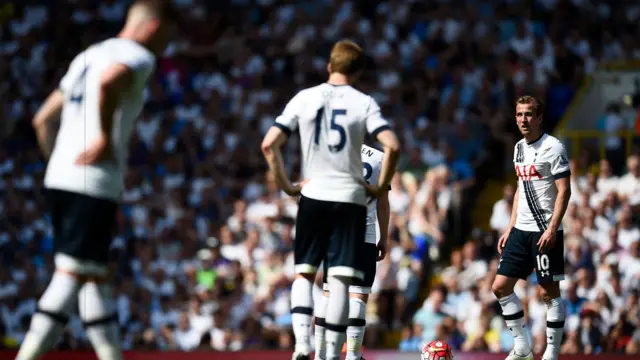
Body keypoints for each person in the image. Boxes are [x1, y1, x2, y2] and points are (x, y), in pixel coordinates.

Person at [20, 1, 174, 360]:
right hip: (94, 179)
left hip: (61, 175)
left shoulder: (89, 54)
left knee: (93, 275)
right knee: (72, 274)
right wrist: (103, 136)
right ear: (153, 27)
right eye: (166, 34)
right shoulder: (138, 56)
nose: (166, 43)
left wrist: (58, 164)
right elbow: (109, 82)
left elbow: (43, 119)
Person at [260, 40, 400, 360]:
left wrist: (288, 186)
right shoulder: (363, 103)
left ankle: (302, 344)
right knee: (339, 281)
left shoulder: (304, 97)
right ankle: (338, 355)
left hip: (314, 194)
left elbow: (269, 144)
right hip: (349, 200)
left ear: (328, 66)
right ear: (359, 71)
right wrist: (379, 188)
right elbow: (393, 145)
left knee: (305, 275)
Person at [492, 96, 572, 360]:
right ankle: (522, 347)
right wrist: (509, 226)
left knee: (548, 293)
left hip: (544, 231)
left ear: (538, 118)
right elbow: (520, 189)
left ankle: (551, 352)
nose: (523, 120)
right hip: (520, 231)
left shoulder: (554, 147)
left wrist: (552, 229)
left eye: (528, 114)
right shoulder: (517, 148)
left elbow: (564, 191)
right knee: (500, 287)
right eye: (519, 114)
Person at [315, 144, 391, 360]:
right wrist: (383, 237)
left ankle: (321, 356)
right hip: (364, 235)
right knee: (358, 295)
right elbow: (383, 202)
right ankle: (353, 356)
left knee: (329, 294)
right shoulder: (380, 158)